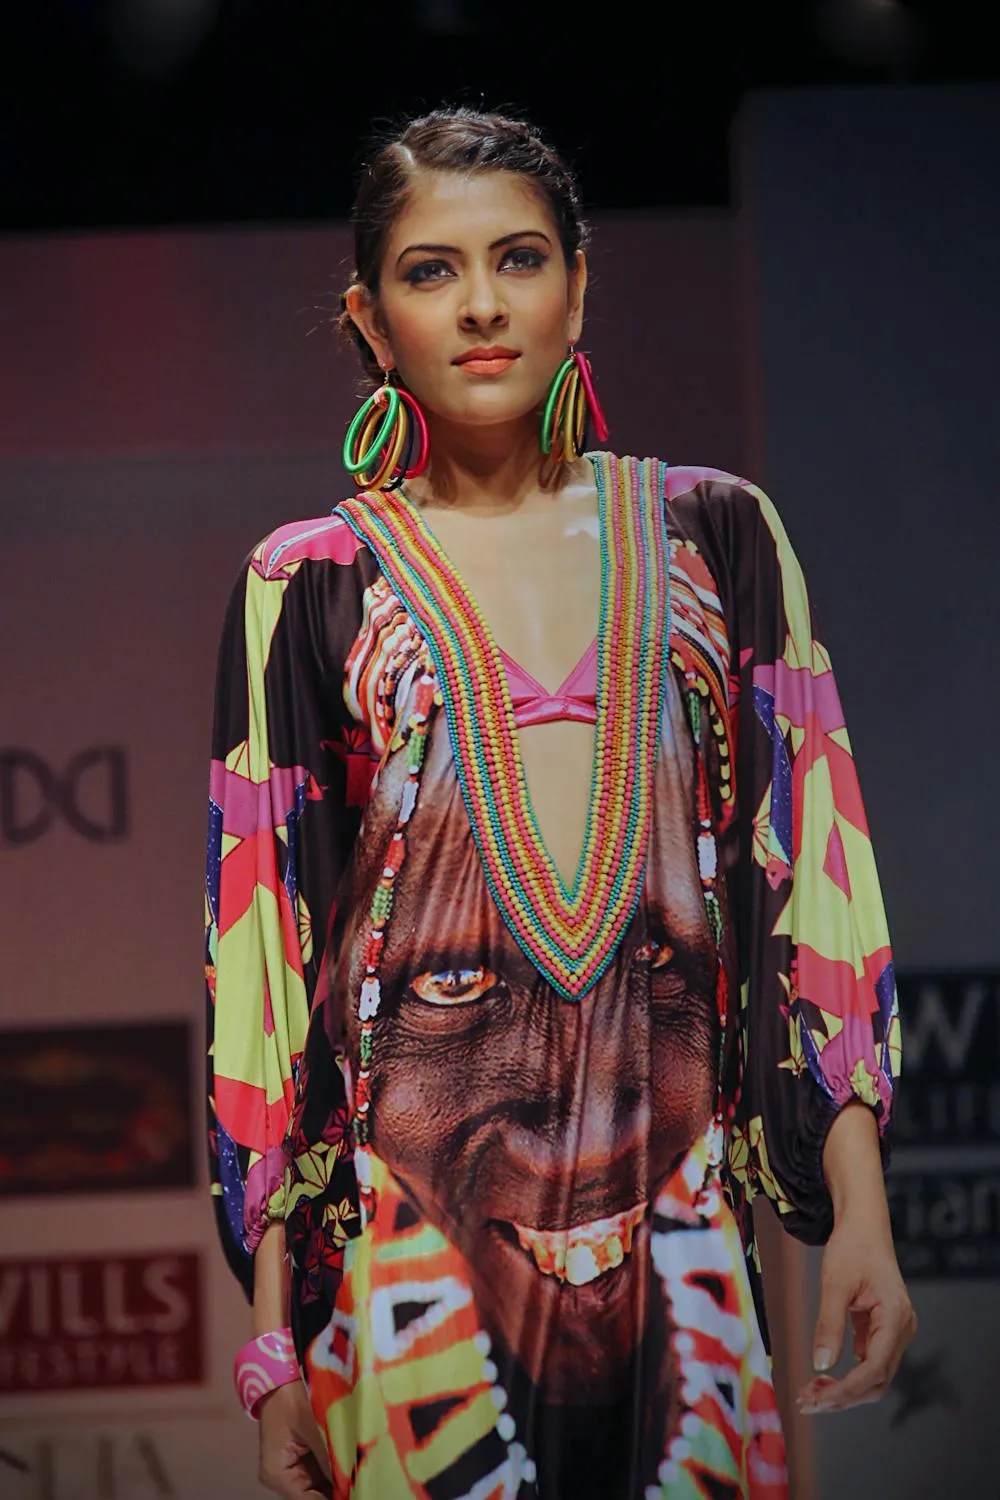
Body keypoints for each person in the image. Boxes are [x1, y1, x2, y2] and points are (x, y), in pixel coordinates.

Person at [205, 107, 915, 1500]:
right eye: (430, 271)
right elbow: (266, 968)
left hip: (682, 1248)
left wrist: (866, 1221)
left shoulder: (719, 534)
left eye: (519, 259)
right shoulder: (308, 584)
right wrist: (273, 1342)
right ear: (369, 314)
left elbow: (810, 895)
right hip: (406, 1269)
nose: (480, 304)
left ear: (580, 284)